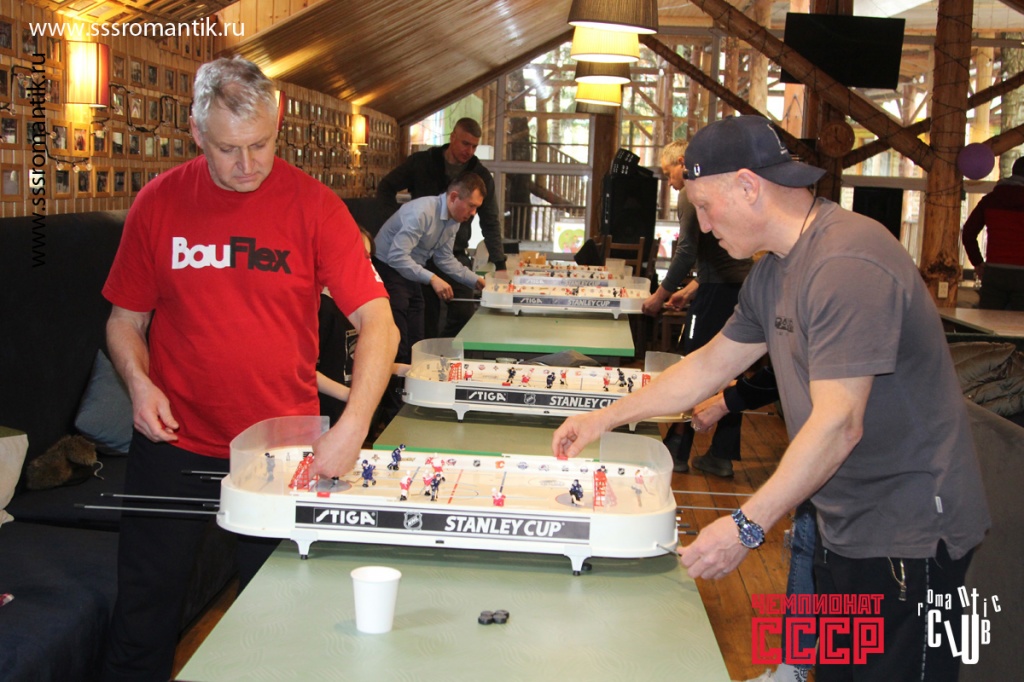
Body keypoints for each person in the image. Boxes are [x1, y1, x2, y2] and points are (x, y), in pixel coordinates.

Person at [552, 115, 990, 682]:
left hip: (910, 537)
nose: (703, 226)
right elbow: (708, 365)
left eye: (705, 206)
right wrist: (603, 419)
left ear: (747, 186)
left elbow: (840, 424)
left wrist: (746, 525)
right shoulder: (773, 272)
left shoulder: (846, 261)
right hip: (843, 524)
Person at [100, 57, 398, 681]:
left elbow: (380, 323)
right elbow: (125, 321)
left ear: (278, 120)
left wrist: (353, 426)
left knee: (283, 619)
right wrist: (139, 383)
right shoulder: (158, 203)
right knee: (141, 618)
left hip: (279, 451)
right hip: (173, 444)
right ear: (195, 131)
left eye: (260, 144)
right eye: (227, 149)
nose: (247, 165)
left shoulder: (316, 207)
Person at [643, 138, 754, 476]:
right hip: (740, 288)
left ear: (682, 161)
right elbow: (720, 257)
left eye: (669, 173)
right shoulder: (719, 188)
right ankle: (721, 454)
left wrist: (660, 295)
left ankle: (678, 449)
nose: (670, 181)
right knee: (732, 370)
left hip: (718, 293)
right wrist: (692, 289)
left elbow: (687, 250)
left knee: (693, 366)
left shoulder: (691, 192)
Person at [377, 117, 506, 338]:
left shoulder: (455, 217)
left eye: (474, 146)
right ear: (453, 137)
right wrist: (395, 220)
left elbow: (487, 223)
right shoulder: (422, 173)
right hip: (397, 261)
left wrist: (486, 271)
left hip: (432, 255)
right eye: (465, 143)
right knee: (417, 317)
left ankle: (440, 349)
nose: (469, 151)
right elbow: (397, 256)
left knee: (459, 312)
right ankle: (416, 353)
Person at [373, 172, 487, 374]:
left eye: (476, 207)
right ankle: (393, 392)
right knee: (399, 342)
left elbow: (444, 258)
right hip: (387, 269)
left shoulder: (453, 220)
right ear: (454, 197)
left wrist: (476, 281)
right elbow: (396, 257)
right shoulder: (421, 213)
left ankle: (412, 383)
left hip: (411, 270)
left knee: (417, 340)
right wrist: (432, 278)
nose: (473, 213)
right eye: (471, 206)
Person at [961, 156, 1024, 310]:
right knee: (1019, 323)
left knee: (988, 320)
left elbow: (968, 233)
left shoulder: (990, 200)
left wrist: (978, 263)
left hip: (994, 273)